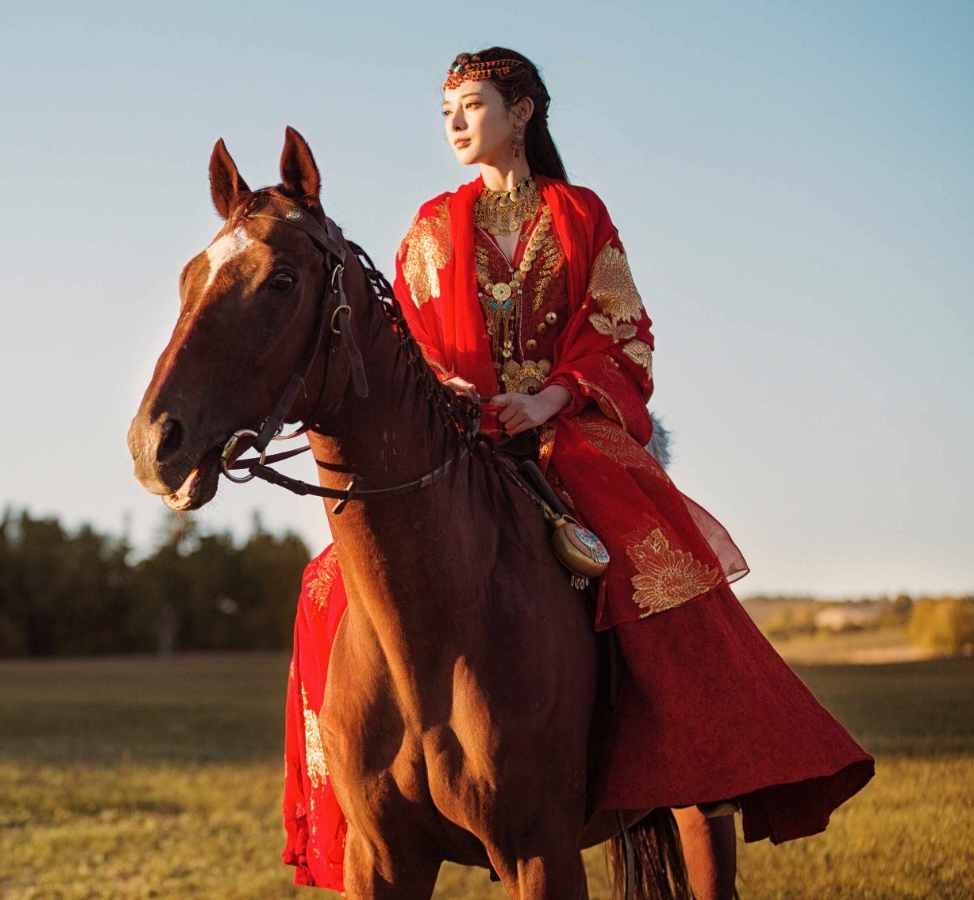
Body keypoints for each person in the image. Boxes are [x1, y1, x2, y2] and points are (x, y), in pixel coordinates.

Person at [281, 47, 874, 897]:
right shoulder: (424, 230)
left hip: (563, 434)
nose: (454, 122)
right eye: (446, 109)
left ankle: (689, 749)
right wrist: (442, 384)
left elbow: (623, 334)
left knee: (645, 560)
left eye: (472, 105)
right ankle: (343, 785)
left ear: (521, 113)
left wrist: (553, 398)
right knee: (326, 585)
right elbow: (404, 342)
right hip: (459, 438)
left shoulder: (578, 215)